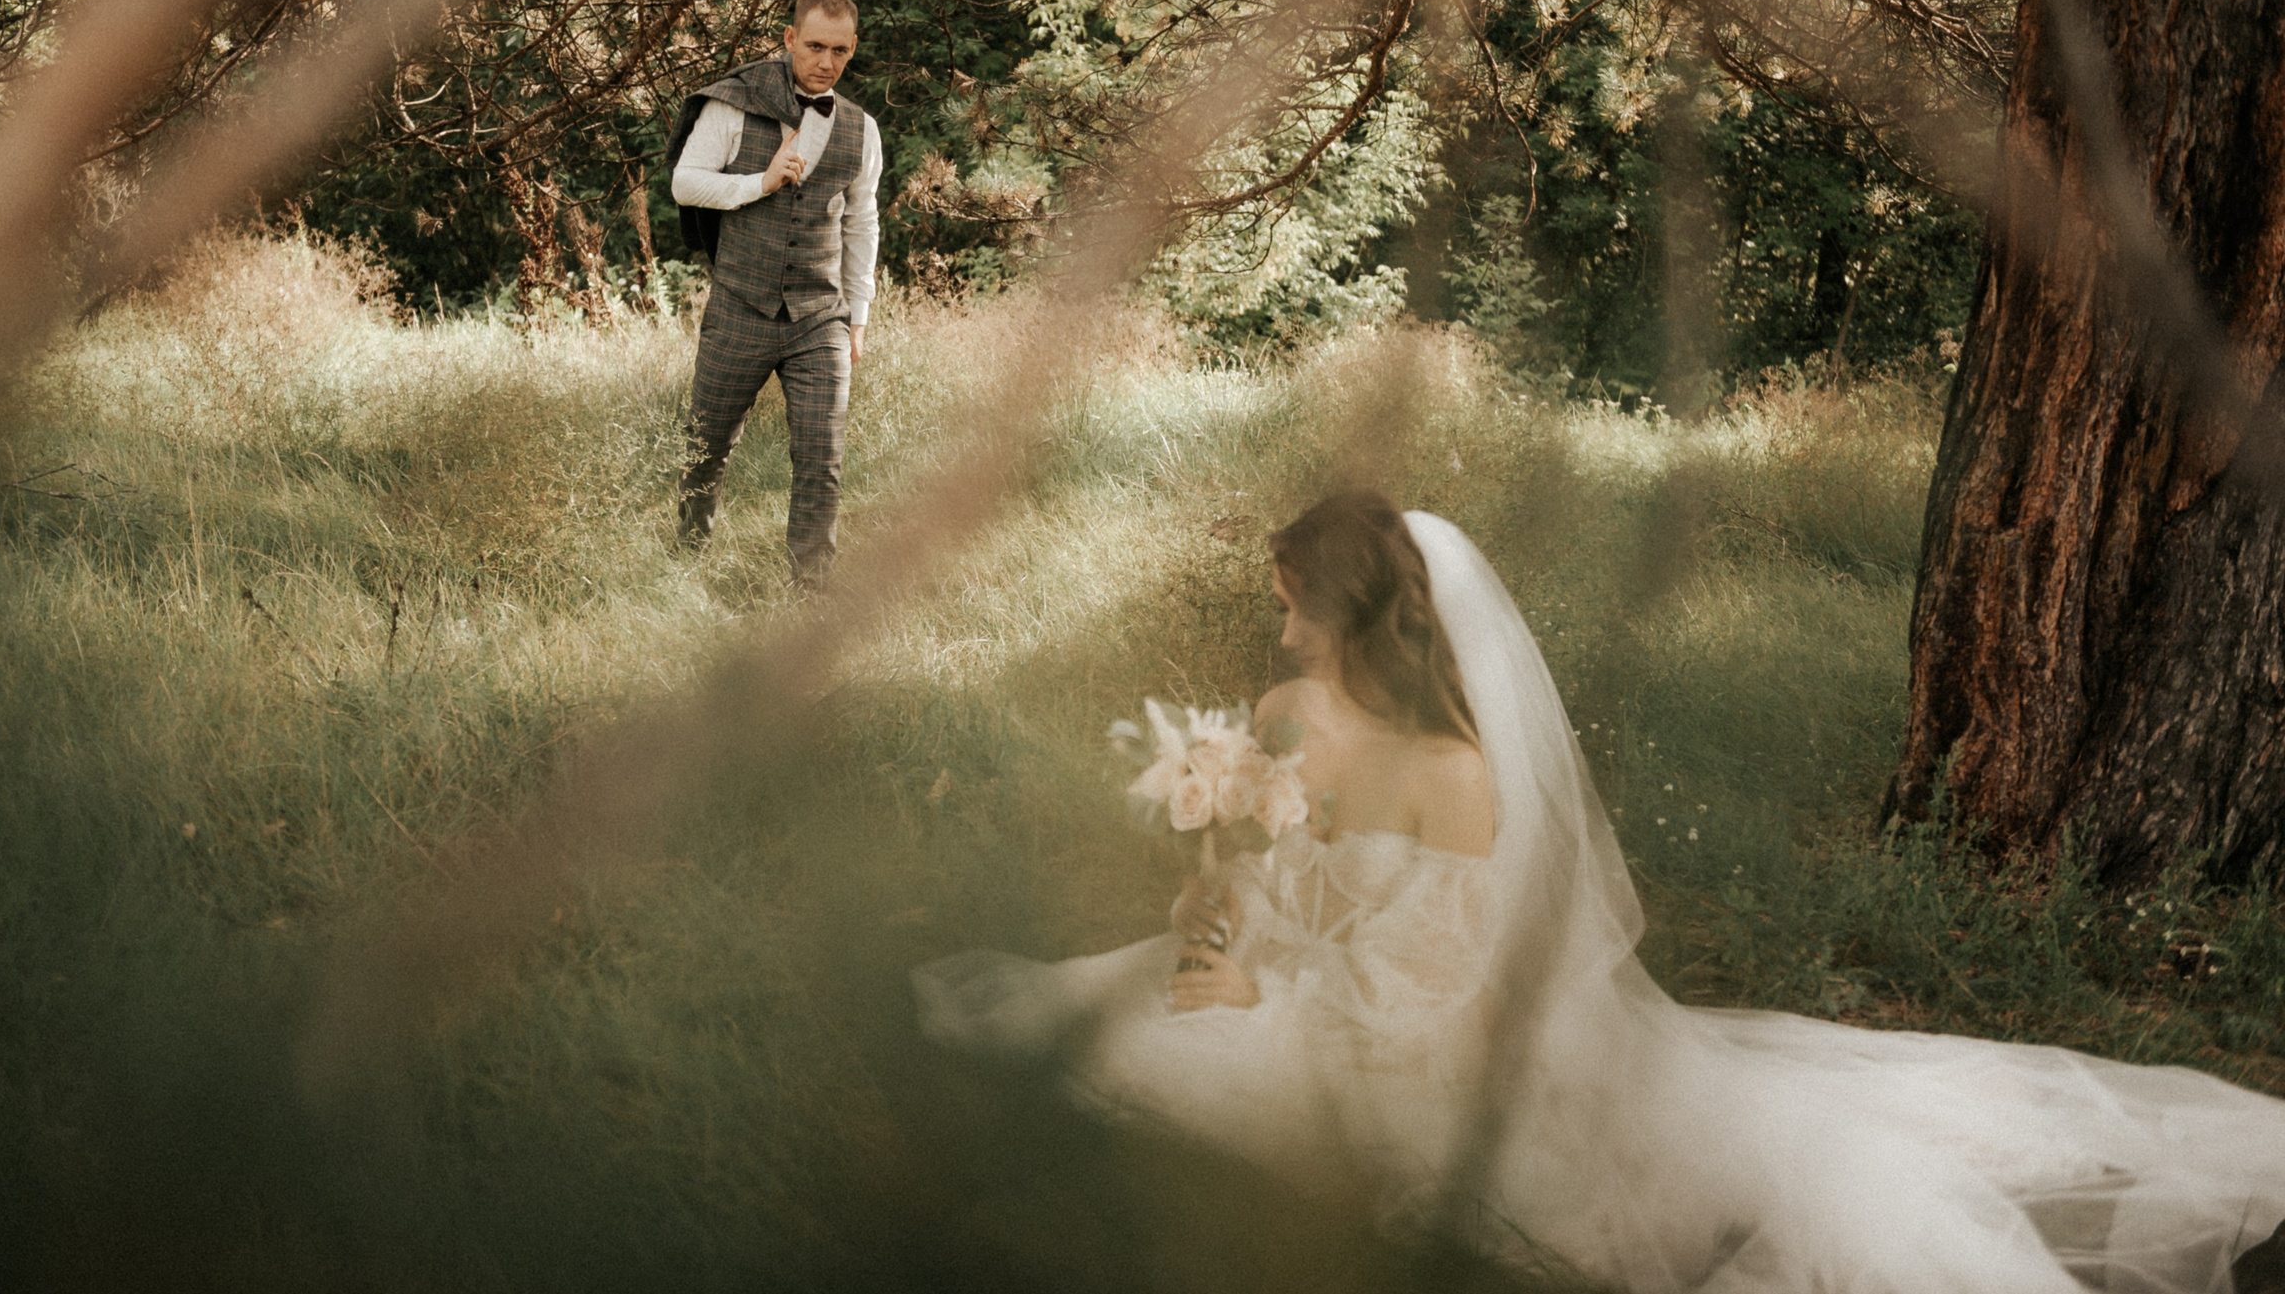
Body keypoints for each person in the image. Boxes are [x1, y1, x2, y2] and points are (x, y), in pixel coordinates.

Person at [916, 489, 2285, 1293]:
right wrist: (1223, 918)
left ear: (1351, 613)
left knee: (1175, 1061)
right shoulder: (1281, 712)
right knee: (1113, 1012)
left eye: (1294, 603)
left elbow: (1450, 989)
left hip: (1423, 1050)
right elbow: (1263, 880)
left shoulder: (1459, 775)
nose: (1279, 627)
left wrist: (1271, 980)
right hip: (1312, 985)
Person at [670, 0, 882, 586]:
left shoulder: (862, 131)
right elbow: (685, 183)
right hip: (740, 304)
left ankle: (810, 593)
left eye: (839, 50)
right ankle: (685, 566)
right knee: (705, 448)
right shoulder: (735, 106)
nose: (826, 61)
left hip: (821, 316)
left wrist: (857, 316)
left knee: (822, 458)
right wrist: (756, 184)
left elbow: (862, 221)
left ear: (853, 49)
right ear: (790, 40)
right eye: (815, 45)